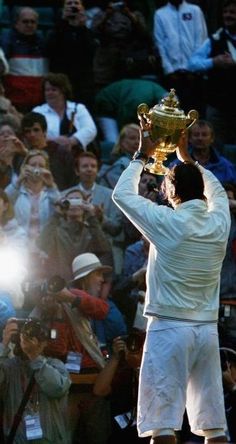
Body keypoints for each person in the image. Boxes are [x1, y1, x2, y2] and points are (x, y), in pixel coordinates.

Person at [112, 122, 231, 442]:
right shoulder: (221, 219)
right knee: (215, 427)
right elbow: (216, 189)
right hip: (206, 332)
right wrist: (185, 156)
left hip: (168, 329)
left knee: (161, 426)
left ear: (171, 192)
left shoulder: (165, 221)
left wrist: (140, 155)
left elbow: (120, 194)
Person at [0, 317, 71, 443]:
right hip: (17, 438)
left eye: (38, 336)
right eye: (25, 335)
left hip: (50, 439)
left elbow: (58, 388)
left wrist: (34, 356)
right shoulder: (8, 367)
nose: (31, 339)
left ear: (46, 342)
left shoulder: (55, 365)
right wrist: (3, 344)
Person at [63, 151, 125, 275]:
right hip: (72, 249)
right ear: (77, 171)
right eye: (85, 166)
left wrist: (101, 217)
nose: (89, 169)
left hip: (102, 250)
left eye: (93, 166)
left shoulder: (110, 195)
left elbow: (117, 229)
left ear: (97, 170)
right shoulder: (66, 195)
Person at [37, 187, 113, 281]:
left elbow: (103, 247)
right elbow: (42, 244)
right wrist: (57, 214)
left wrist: (91, 215)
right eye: (70, 201)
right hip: (62, 283)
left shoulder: (91, 231)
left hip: (85, 283)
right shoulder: (56, 231)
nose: (74, 204)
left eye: (78, 200)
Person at [188, 0, 236, 147]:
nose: (228, 16)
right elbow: (192, 63)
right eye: (226, 12)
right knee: (216, 147)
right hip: (217, 105)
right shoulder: (215, 39)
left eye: (232, 12)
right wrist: (213, 62)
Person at [91, 0, 161, 92]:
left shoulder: (135, 13)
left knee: (130, 89)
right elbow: (94, 32)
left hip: (130, 57)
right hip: (106, 58)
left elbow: (144, 33)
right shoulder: (101, 14)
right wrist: (107, 16)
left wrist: (129, 15)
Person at [153, 0, 208, 113]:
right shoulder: (160, 14)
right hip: (172, 75)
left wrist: (193, 68)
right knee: (173, 113)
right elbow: (160, 44)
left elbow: (201, 38)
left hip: (194, 74)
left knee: (195, 112)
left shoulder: (195, 10)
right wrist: (169, 70)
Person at [47, 0, 96, 111]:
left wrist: (82, 26)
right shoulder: (57, 29)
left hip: (82, 81)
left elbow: (91, 50)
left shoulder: (87, 31)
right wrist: (63, 21)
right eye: (69, 3)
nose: (73, 6)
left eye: (76, 3)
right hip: (61, 78)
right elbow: (50, 48)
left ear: (82, 9)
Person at [33, 72, 97, 152]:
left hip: (75, 156)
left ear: (63, 91)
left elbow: (90, 129)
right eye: (47, 90)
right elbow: (33, 134)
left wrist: (71, 141)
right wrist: (55, 141)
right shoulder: (38, 111)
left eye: (54, 90)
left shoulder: (78, 108)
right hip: (47, 154)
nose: (49, 93)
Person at [0, 7, 49, 112]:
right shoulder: (5, 42)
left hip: (39, 104)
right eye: (25, 21)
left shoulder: (44, 44)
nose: (29, 25)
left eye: (33, 22)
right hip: (13, 105)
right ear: (16, 24)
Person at [94, 78, 167, 144]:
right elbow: (125, 120)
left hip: (123, 102)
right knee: (114, 141)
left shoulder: (162, 95)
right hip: (106, 105)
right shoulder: (139, 99)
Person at [21, 112, 77, 191]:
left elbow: (73, 181)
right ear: (24, 135)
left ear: (44, 131)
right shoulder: (23, 154)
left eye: (36, 130)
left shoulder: (62, 153)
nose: (32, 134)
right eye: (28, 131)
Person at [169, 120, 236, 184]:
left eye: (204, 135)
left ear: (212, 138)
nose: (200, 138)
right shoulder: (177, 165)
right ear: (189, 138)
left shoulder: (226, 166)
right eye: (196, 135)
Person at [97, 123, 141, 188]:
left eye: (139, 139)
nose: (137, 142)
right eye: (132, 138)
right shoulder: (120, 163)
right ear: (122, 141)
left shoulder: (141, 161)